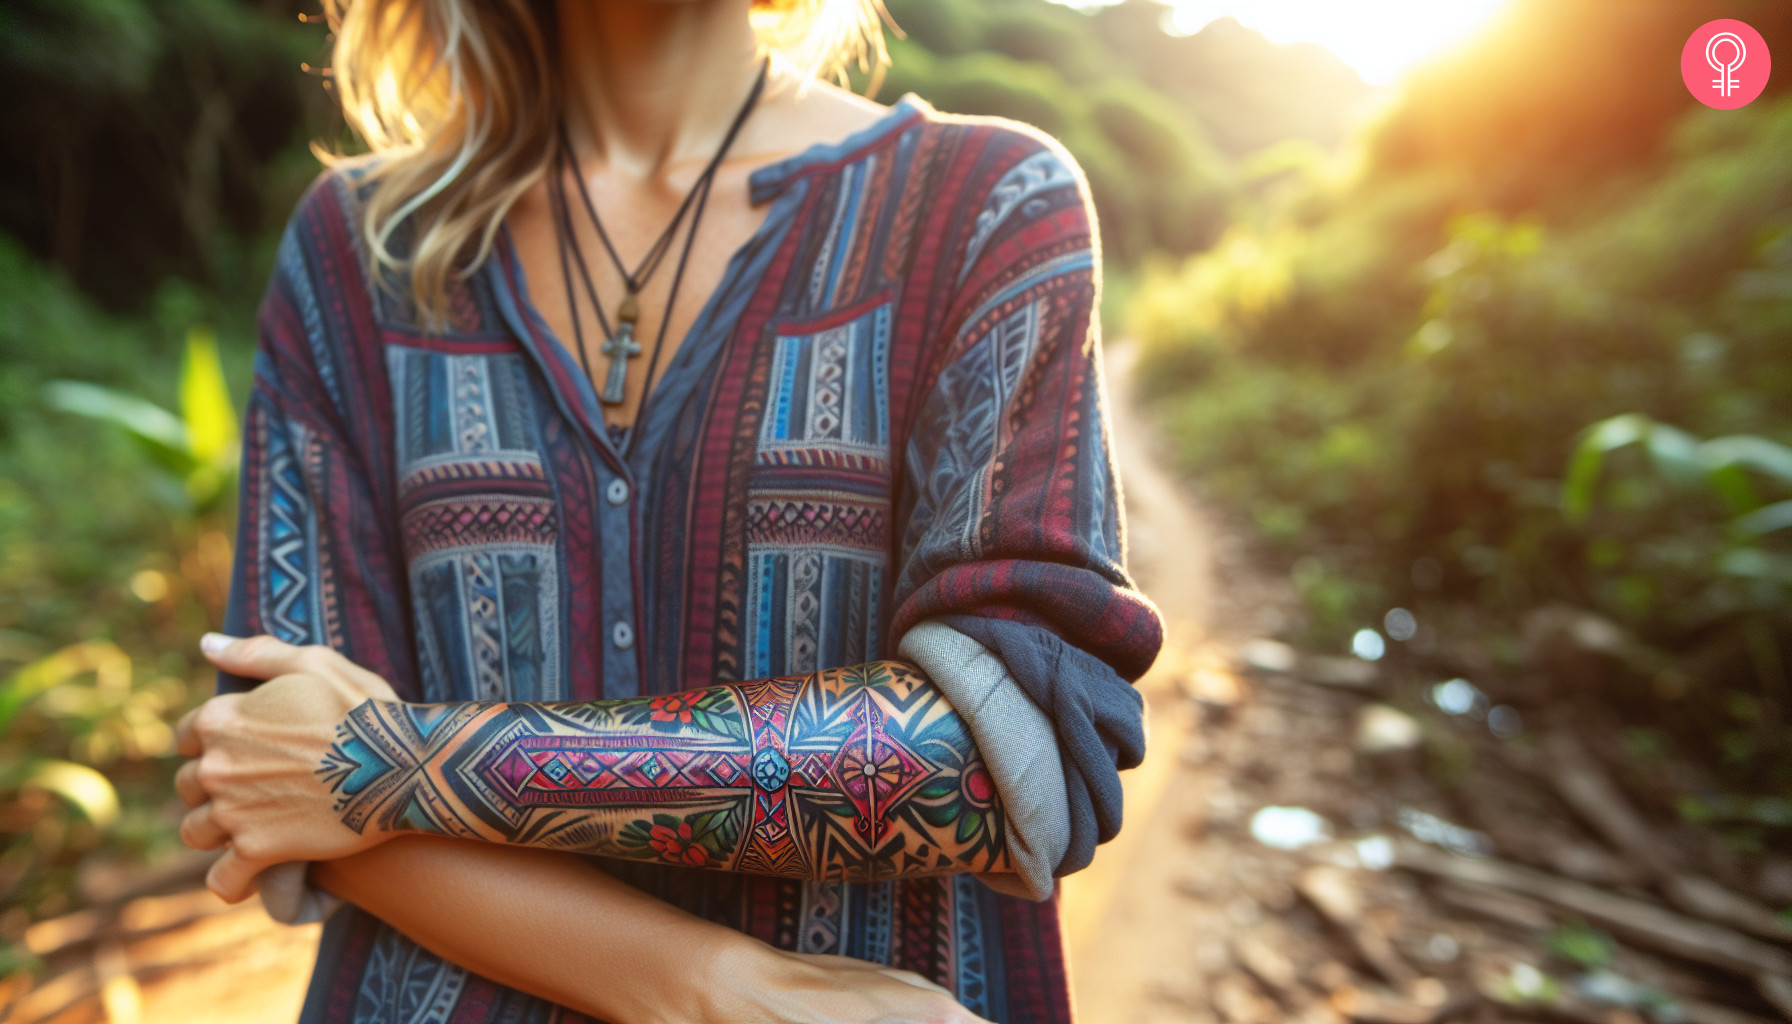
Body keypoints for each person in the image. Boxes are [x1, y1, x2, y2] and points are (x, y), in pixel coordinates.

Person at [171, 0, 1162, 1020]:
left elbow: (1001, 764)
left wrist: (384, 761)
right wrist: (713, 987)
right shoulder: (357, 246)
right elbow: (275, 769)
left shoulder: (984, 206)